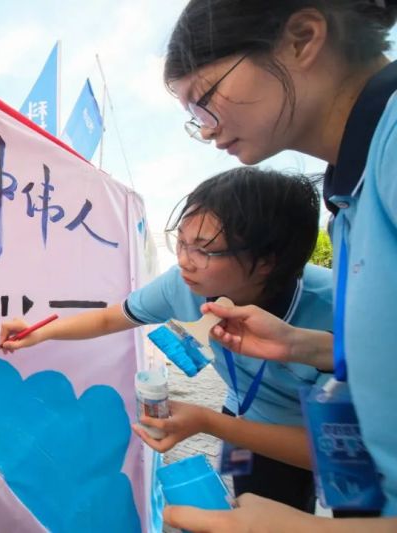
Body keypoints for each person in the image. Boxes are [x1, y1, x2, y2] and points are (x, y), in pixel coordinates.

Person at [159, 0, 397, 529]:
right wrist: (305, 347)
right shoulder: (348, 200)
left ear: (302, 38)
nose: (206, 130)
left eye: (205, 102)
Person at [0, 166, 332, 511]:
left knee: (291, 506)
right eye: (181, 242)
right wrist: (40, 332)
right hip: (241, 408)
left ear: (265, 261)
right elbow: (110, 317)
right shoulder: (182, 285)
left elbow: (333, 449)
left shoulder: (337, 312)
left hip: (303, 431)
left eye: (204, 250)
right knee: (247, 497)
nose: (184, 261)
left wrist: (206, 422)